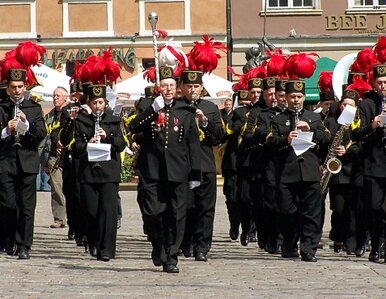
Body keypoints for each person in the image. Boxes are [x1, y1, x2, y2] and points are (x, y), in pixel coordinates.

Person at [129, 66, 201, 273]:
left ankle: (171, 257)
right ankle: (158, 244)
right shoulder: (148, 107)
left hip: (178, 170)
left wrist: (195, 173)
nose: (168, 89)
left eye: (171, 85)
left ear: (177, 88)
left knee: (177, 215)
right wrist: (153, 109)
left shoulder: (185, 111)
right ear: (158, 88)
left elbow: (192, 143)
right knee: (152, 212)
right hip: (152, 169)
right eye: (164, 86)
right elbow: (134, 127)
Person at [266, 79, 330, 262]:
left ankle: (308, 248)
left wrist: (311, 130)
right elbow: (269, 141)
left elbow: (326, 137)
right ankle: (289, 243)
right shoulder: (277, 119)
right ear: (286, 97)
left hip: (309, 172)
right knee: (287, 211)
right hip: (287, 172)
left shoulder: (314, 118)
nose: (296, 100)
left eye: (299, 97)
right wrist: (285, 139)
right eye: (292, 96)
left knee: (311, 212)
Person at [73, 84, 126, 262]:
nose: (97, 106)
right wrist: (88, 141)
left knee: (108, 212)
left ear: (105, 103)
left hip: (109, 171)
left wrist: (107, 137)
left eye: (101, 102)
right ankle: (93, 241)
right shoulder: (81, 121)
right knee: (91, 211)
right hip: (88, 172)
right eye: (94, 102)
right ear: (89, 102)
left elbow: (121, 145)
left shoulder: (113, 120)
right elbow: (76, 148)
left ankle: (107, 249)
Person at [0, 68, 47, 259]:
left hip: (27, 163)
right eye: (13, 87)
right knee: (8, 204)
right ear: (7, 88)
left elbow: (42, 133)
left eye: (20, 87)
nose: (17, 91)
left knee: (27, 206)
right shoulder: (1, 107)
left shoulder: (33, 108)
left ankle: (24, 244)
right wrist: (6, 130)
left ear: (25, 87)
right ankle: (8, 239)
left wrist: (26, 126)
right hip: (5, 162)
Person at [179, 69, 225, 262]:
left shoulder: (209, 107)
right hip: (183, 166)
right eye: (188, 86)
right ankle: (185, 242)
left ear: (201, 87)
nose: (192, 90)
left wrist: (204, 122)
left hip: (204, 165)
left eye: (196, 86)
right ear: (181, 87)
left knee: (206, 208)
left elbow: (220, 137)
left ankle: (202, 246)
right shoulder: (176, 107)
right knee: (186, 207)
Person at [351, 64, 386, 263]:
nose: (383, 87)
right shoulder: (366, 104)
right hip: (373, 163)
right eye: (380, 83)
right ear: (373, 84)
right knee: (373, 207)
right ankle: (375, 240)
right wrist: (373, 124)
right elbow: (356, 132)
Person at [323, 89, 364, 255]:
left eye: (351, 106)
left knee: (353, 208)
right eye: (345, 104)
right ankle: (337, 235)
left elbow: (362, 144)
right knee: (339, 208)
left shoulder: (359, 123)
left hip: (354, 170)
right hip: (337, 172)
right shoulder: (331, 122)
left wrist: (347, 150)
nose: (347, 108)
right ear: (340, 106)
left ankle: (351, 242)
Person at [45, 86, 69, 229]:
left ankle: (74, 217)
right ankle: (59, 218)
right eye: (54, 96)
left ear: (66, 98)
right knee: (56, 187)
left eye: (58, 96)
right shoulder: (50, 115)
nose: (55, 98)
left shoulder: (70, 113)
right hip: (54, 156)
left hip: (68, 155)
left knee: (71, 188)